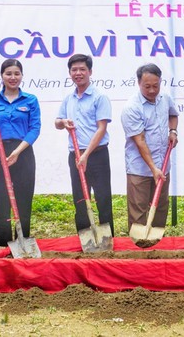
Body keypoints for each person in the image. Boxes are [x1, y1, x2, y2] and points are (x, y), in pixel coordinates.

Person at [0, 59, 41, 247]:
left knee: (24, 196)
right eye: (8, 74)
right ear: (2, 76)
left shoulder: (30, 100)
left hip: (23, 151)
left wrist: (17, 151)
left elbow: (35, 128)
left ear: (22, 76)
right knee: (0, 197)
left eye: (16, 74)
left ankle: (22, 242)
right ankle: (4, 243)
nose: (12, 77)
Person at [55, 53, 114, 236]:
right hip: (75, 155)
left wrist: (86, 155)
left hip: (97, 155)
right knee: (80, 199)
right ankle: (85, 238)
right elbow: (57, 122)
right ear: (69, 73)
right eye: (74, 70)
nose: (78, 73)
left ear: (90, 72)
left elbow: (101, 129)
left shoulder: (100, 97)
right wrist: (63, 122)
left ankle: (107, 239)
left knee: (103, 198)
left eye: (82, 69)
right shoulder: (69, 99)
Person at [121, 64, 179, 229]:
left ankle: (158, 244)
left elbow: (173, 114)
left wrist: (173, 131)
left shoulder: (165, 99)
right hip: (140, 169)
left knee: (160, 207)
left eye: (156, 85)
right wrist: (153, 168)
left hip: (163, 165)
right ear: (139, 83)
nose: (152, 90)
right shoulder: (131, 108)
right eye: (147, 87)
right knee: (138, 209)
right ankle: (139, 247)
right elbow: (140, 141)